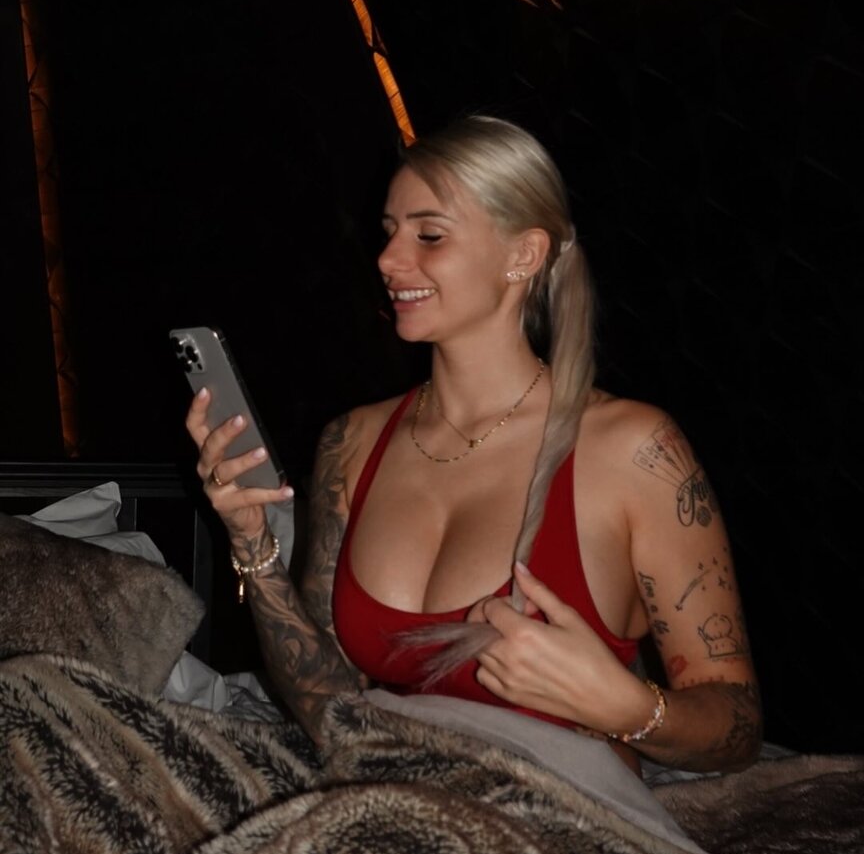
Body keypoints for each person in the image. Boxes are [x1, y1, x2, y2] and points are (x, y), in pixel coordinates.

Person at [186, 115, 761, 776]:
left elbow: (738, 726)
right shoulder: (353, 441)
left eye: (429, 235)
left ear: (524, 255)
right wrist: (252, 544)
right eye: (389, 231)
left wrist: (627, 707)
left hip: (562, 816)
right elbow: (329, 706)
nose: (388, 259)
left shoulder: (634, 450)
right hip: (386, 795)